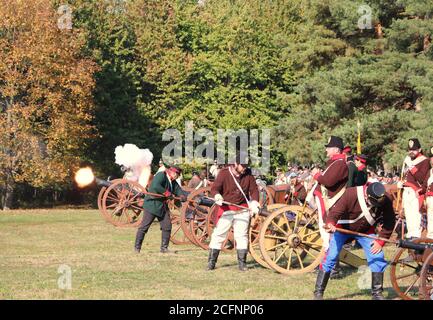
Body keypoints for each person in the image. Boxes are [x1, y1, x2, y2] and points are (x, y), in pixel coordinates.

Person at [313, 182, 395, 300]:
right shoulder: (351, 193)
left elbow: (389, 222)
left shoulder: (385, 199)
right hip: (343, 230)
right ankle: (318, 293)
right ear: (367, 196)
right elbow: (336, 212)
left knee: (377, 256)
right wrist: (330, 223)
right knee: (331, 257)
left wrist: (380, 242)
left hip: (365, 231)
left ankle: (377, 293)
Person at [207, 153, 260, 271]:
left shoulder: (248, 174)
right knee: (218, 235)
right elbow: (215, 188)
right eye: (242, 165)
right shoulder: (224, 173)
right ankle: (211, 263)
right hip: (226, 208)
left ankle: (242, 264)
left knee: (241, 236)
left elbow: (254, 190)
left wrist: (255, 202)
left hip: (242, 209)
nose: (244, 168)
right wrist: (217, 196)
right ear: (235, 164)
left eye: (246, 165)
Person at [308, 136, 348, 278]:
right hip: (325, 201)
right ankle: (328, 266)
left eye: (328, 147)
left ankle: (333, 269)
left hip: (331, 203)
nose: (326, 149)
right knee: (326, 235)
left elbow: (329, 181)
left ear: (336, 149)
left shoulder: (340, 163)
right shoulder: (334, 163)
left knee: (329, 235)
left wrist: (317, 175)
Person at [134, 166, 188, 253]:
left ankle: (164, 248)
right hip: (152, 204)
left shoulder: (172, 181)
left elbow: (178, 189)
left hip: (162, 206)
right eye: (177, 175)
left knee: (167, 226)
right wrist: (167, 193)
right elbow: (156, 186)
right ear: (173, 173)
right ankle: (137, 248)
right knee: (144, 227)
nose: (177, 177)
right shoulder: (161, 175)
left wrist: (181, 195)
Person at [398, 138, 430, 239]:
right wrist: (401, 182)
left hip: (416, 192)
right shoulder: (408, 160)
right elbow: (405, 176)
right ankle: (411, 238)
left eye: (414, 149)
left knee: (415, 216)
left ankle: (416, 239)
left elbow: (421, 178)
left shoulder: (424, 161)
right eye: (410, 149)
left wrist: (411, 166)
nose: (411, 152)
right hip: (406, 191)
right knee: (408, 215)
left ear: (419, 149)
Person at [423, 147, 433, 239]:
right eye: (432, 157)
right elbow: (425, 186)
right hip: (429, 199)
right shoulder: (430, 171)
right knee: (430, 220)